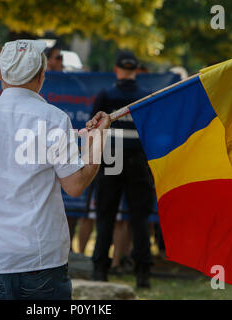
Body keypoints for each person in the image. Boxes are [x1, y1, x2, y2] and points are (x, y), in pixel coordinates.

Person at [0, 39, 111, 300]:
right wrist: (97, 144)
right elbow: (75, 185)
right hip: (41, 258)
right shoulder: (54, 118)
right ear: (42, 75)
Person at [90, 50, 154, 288]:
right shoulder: (145, 96)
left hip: (111, 158)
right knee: (139, 218)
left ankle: (99, 272)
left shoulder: (106, 95)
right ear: (136, 70)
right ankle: (143, 275)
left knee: (105, 216)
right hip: (138, 159)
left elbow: (93, 130)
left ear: (117, 70)